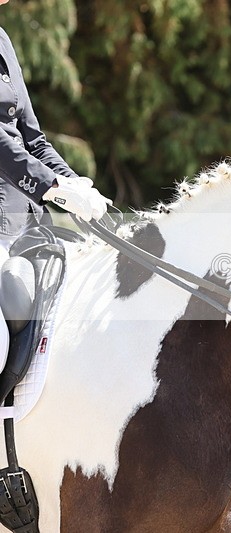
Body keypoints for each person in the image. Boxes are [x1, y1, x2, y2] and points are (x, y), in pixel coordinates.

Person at [0, 17, 111, 369]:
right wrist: (52, 187)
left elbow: (32, 137)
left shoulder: (2, 40)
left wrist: (73, 183)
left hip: (27, 221)